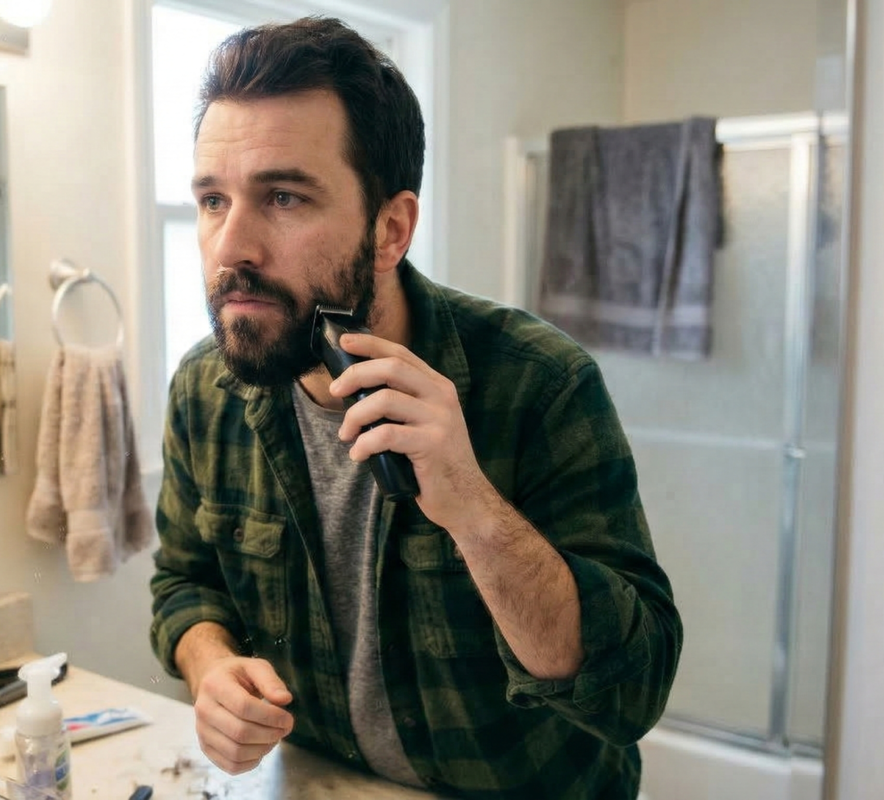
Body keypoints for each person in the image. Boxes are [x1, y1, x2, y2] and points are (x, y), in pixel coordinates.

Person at [149, 16, 682, 799]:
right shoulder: (206, 390)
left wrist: (470, 506)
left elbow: (630, 691)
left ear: (389, 229)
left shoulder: (540, 383)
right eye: (211, 199)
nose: (231, 246)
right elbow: (183, 583)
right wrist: (212, 665)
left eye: (284, 197)